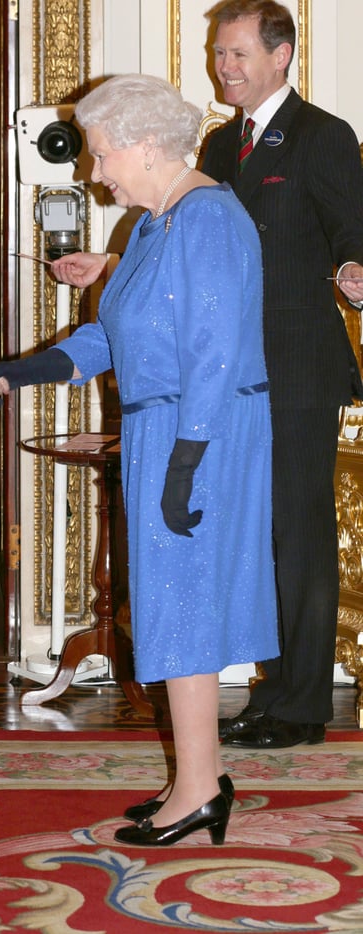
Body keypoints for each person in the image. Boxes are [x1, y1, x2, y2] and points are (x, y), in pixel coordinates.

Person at [0, 73, 279, 847]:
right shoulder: (152, 226)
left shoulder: (209, 218)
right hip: (169, 431)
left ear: (148, 146)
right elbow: (107, 340)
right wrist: (19, 371)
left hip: (201, 430)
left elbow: (215, 356)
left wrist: (188, 461)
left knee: (187, 610)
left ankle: (198, 790)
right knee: (174, 611)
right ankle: (198, 781)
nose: (95, 170)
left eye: (104, 152)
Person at [201, 0, 363, 749]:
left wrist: (353, 266)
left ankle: (303, 706)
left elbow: (350, 226)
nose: (224, 67)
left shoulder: (323, 135)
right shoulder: (214, 146)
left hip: (297, 368)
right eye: (219, 54)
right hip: (231, 369)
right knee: (259, 535)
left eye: (236, 54)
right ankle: (276, 688)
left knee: (298, 537)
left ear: (281, 55)